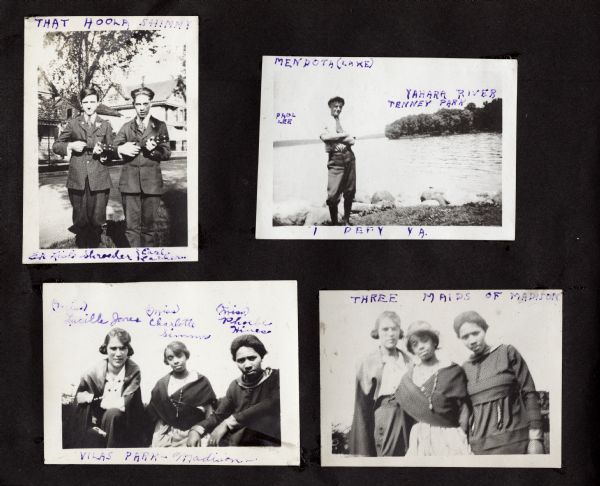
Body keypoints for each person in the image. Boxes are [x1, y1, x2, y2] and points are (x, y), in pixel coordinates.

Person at [453, 310, 545, 455]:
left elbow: (530, 393)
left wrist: (536, 438)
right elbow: (465, 409)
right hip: (479, 448)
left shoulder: (507, 352)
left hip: (516, 443)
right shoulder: (464, 368)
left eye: (475, 333)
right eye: (465, 337)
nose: (472, 340)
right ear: (460, 339)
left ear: (484, 330)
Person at [395, 321, 472, 456]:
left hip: (449, 434)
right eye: (415, 344)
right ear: (412, 349)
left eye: (424, 341)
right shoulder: (409, 377)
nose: (420, 347)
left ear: (434, 342)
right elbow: (405, 414)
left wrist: (461, 434)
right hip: (420, 436)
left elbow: (464, 407)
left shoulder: (453, 371)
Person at [52, 87, 114, 248]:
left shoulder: (105, 125)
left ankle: (95, 251)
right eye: (85, 102)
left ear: (98, 103)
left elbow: (112, 150)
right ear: (81, 103)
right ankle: (82, 253)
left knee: (97, 220)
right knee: (80, 219)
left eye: (92, 101)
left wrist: (104, 153)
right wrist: (71, 145)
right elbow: (56, 145)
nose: (89, 105)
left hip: (99, 179)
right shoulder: (73, 123)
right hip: (78, 179)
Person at [192, 335, 281, 447]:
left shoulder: (276, 377)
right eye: (241, 360)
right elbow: (218, 415)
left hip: (269, 442)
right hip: (240, 442)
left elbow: (271, 403)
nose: (247, 365)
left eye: (252, 358)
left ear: (261, 356)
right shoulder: (235, 386)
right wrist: (196, 429)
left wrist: (228, 423)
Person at [349, 311, 413, 456]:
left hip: (409, 418)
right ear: (377, 332)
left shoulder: (409, 361)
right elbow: (361, 407)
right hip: (385, 418)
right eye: (385, 329)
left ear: (399, 332)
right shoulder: (367, 362)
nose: (390, 333)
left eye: (394, 329)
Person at [69, 328, 146, 448]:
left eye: (123, 348)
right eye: (113, 348)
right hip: (96, 423)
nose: (118, 354)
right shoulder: (93, 373)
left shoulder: (133, 371)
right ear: (106, 349)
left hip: (125, 423)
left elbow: (125, 404)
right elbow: (79, 404)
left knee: (113, 414)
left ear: (128, 350)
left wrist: (93, 398)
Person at [114, 86, 171, 247]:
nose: (142, 108)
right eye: (138, 104)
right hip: (129, 184)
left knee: (149, 229)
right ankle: (134, 265)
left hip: (152, 185)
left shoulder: (160, 126)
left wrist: (154, 151)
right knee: (131, 229)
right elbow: (114, 148)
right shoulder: (126, 127)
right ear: (133, 105)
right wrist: (121, 149)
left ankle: (146, 266)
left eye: (145, 104)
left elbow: (166, 153)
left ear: (151, 103)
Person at [146, 341, 217, 447]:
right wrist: (156, 439)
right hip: (169, 433)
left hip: (195, 431)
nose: (175, 361)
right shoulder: (162, 384)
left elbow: (209, 412)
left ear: (186, 355)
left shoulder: (201, 381)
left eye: (179, 356)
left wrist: (206, 432)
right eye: (170, 358)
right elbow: (157, 415)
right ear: (167, 361)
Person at [319, 96, 357, 226]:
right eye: (335, 106)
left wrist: (335, 139)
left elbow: (352, 141)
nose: (338, 109)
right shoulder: (324, 121)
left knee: (350, 191)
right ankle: (335, 223)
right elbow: (324, 137)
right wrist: (342, 136)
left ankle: (346, 220)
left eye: (340, 107)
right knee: (333, 195)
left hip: (349, 158)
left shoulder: (345, 120)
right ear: (330, 107)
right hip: (335, 161)